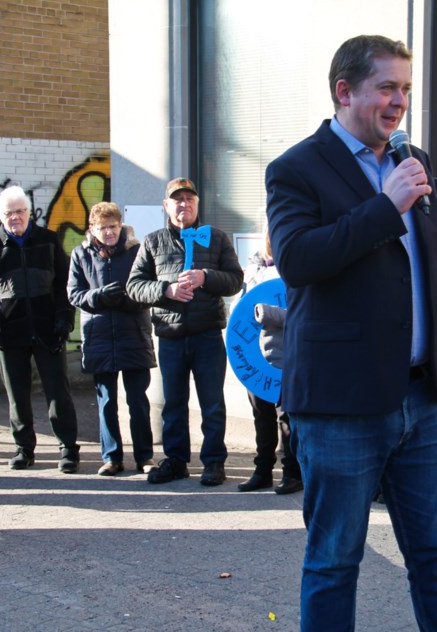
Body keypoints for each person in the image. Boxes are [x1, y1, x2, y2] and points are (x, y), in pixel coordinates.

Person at [265, 35, 437, 631]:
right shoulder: (296, 168)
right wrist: (384, 206)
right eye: (387, 88)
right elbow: (298, 259)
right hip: (339, 406)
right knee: (333, 563)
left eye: (406, 89)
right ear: (344, 91)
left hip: (422, 404)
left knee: (436, 558)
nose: (400, 102)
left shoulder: (410, 159)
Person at [126, 178, 243, 486]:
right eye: (177, 200)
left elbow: (235, 279)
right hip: (171, 336)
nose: (183, 204)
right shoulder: (152, 242)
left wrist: (206, 277)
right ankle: (176, 460)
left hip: (207, 335)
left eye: (189, 199)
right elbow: (134, 286)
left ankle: (214, 462)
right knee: (174, 404)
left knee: (212, 403)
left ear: (196, 204)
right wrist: (167, 290)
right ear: (166, 206)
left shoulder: (215, 238)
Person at [0, 185, 80, 473]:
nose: (15, 218)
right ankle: (24, 448)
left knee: (58, 391)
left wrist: (64, 319)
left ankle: (68, 447)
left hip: (48, 329)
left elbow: (63, 285)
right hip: (9, 332)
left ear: (29, 213)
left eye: (20, 211)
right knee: (16, 395)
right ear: (0, 216)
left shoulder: (48, 239)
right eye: (9, 213)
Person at [68, 201, 156, 476]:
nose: (108, 232)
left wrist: (128, 299)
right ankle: (112, 457)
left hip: (133, 334)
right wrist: (99, 296)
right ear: (92, 229)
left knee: (138, 400)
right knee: (106, 401)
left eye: (113, 227)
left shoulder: (137, 252)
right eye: (102, 228)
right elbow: (74, 294)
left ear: (121, 226)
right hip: (99, 337)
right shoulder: (80, 254)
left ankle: (144, 457)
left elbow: (148, 289)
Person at [235, 233, 302, 495]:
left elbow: (305, 313)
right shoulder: (254, 270)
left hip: (290, 358)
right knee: (261, 417)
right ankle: (262, 471)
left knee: (286, 419)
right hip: (257, 359)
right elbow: (242, 312)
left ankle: (292, 473)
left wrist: (269, 313)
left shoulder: (298, 267)